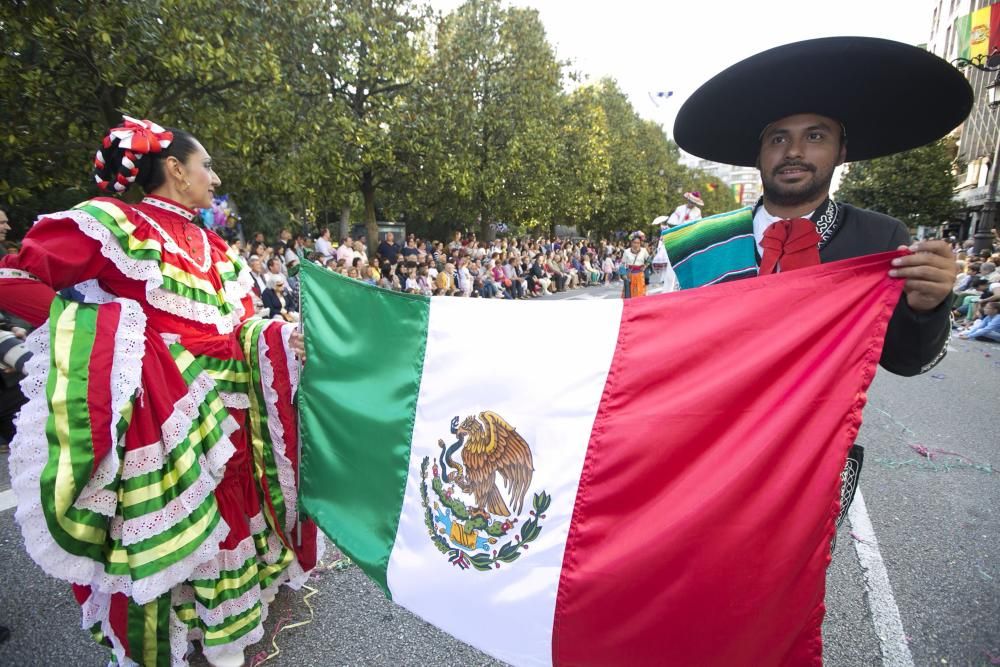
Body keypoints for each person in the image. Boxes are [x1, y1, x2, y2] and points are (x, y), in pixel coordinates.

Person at [0, 117, 321, 666]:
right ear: (176, 170)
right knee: (174, 532)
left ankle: (222, 633)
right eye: (207, 166)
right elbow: (20, 275)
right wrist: (116, 339)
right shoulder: (118, 224)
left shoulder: (217, 248)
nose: (214, 179)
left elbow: (238, 328)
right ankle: (170, 637)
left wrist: (280, 336)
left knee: (227, 525)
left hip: (236, 419)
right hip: (168, 416)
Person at [671, 36, 972, 377]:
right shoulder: (705, 241)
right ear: (758, 155)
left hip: (818, 427)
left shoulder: (878, 237)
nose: (794, 151)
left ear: (841, 152)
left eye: (815, 137)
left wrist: (927, 307)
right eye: (778, 138)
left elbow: (905, 361)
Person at [621, 231, 650, 299]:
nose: (636, 245)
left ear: (640, 243)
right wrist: (623, 275)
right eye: (634, 242)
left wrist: (645, 266)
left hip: (640, 276)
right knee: (629, 295)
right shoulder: (626, 252)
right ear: (631, 243)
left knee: (640, 294)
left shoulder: (644, 251)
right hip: (629, 276)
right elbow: (622, 264)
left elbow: (649, 259)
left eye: (638, 243)